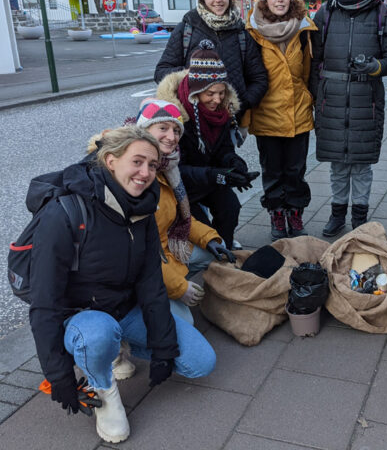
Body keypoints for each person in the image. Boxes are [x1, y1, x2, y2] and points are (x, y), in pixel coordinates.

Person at [28, 126, 215, 443]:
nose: (145, 173)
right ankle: (102, 383)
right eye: (137, 162)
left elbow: (151, 285)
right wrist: (58, 377)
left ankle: (115, 349)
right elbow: (44, 302)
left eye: (153, 165)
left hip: (125, 308)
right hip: (82, 316)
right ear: (111, 160)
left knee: (201, 363)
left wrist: (163, 351)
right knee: (99, 334)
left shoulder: (142, 206)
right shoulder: (65, 212)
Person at [310, 0, 387, 237]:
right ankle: (337, 214)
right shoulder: (324, 13)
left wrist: (377, 67)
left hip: (366, 100)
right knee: (338, 165)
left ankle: (359, 217)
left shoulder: (383, 14)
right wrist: (316, 97)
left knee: (361, 165)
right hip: (332, 100)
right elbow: (314, 61)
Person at [131, 100, 236, 323]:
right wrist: (180, 288)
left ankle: (170, 287)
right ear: (144, 129)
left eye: (176, 130)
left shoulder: (167, 167)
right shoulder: (136, 175)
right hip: (140, 268)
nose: (172, 136)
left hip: (164, 251)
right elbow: (141, 252)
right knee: (186, 327)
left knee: (215, 251)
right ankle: (135, 311)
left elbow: (182, 217)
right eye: (163, 128)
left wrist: (211, 240)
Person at [156, 41, 258, 249]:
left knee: (230, 207)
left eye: (221, 93)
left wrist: (234, 164)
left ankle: (225, 250)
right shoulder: (174, 118)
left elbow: (223, 149)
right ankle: (209, 255)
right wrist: (216, 175)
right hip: (179, 186)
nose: (217, 99)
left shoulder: (222, 110)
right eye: (210, 94)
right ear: (195, 92)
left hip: (205, 177)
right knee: (202, 230)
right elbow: (173, 168)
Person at [154, 0, 268, 138]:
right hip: (191, 122)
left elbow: (259, 78)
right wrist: (192, 74)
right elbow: (162, 71)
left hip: (227, 122)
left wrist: (239, 104)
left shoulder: (241, 33)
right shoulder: (186, 29)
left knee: (227, 165)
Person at [246, 0, 318, 240]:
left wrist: (311, 102)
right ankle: (277, 215)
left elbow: (310, 73)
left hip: (299, 114)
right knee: (273, 172)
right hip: (267, 117)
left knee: (296, 172)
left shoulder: (304, 29)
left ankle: (295, 214)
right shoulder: (253, 33)